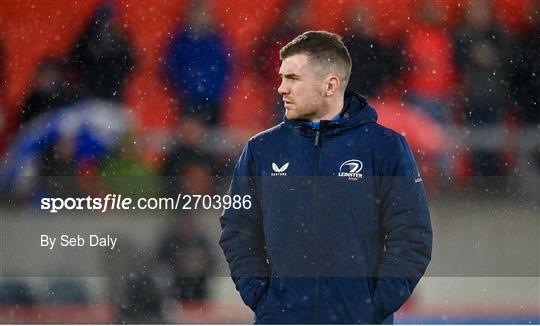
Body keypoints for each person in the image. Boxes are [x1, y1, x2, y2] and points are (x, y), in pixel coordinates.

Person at [220, 31, 432, 324]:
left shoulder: (385, 147)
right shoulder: (261, 150)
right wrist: (262, 298)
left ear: (330, 85)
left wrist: (374, 306)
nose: (282, 88)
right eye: (282, 78)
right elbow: (238, 229)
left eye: (293, 78)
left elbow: (412, 235)